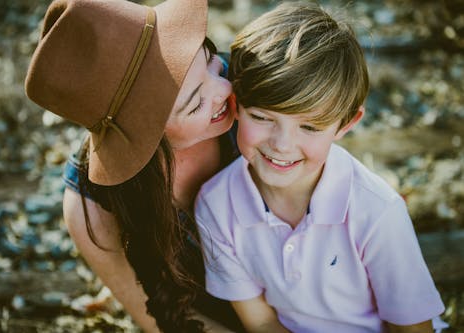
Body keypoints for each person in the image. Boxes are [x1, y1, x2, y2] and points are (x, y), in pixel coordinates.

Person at [195, 2, 446, 333]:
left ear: (345, 124)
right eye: (261, 117)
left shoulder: (376, 211)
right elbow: (262, 322)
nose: (282, 144)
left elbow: (412, 328)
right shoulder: (215, 204)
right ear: (235, 104)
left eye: (309, 127)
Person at [25, 0, 243, 332]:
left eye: (211, 61)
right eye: (197, 101)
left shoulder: (253, 87)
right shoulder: (93, 208)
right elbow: (166, 320)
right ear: (144, 138)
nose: (226, 88)